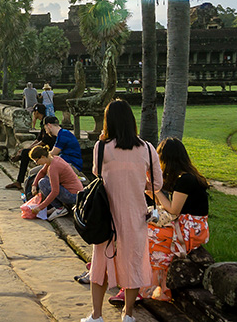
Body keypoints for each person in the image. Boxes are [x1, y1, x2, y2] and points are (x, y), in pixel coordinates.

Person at [82, 99, 162, 322]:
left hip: (107, 217)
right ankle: (128, 315)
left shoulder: (102, 147)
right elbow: (157, 184)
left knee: (101, 267)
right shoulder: (147, 148)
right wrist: (138, 184)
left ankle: (96, 316)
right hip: (135, 217)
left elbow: (98, 175)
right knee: (133, 263)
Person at [147, 137, 210, 302]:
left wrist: (156, 191)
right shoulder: (185, 177)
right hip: (190, 224)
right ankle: (157, 285)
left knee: (150, 235)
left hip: (191, 228)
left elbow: (174, 210)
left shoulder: (185, 180)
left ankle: (156, 286)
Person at [27, 143, 82, 220]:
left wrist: (40, 207)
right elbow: (42, 172)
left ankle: (60, 208)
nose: (36, 163)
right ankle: (57, 207)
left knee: (43, 183)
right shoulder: (53, 159)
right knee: (43, 181)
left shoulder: (53, 167)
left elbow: (55, 191)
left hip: (72, 195)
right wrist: (34, 185)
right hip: (74, 193)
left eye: (36, 161)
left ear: (42, 157)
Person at [5, 104, 50, 191]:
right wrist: (30, 147)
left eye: (34, 112)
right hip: (45, 146)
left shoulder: (46, 122)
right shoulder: (43, 122)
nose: (33, 114)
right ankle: (18, 178)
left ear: (36, 112)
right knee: (25, 151)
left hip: (49, 149)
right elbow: (38, 139)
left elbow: (44, 140)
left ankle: (19, 180)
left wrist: (31, 149)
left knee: (26, 153)